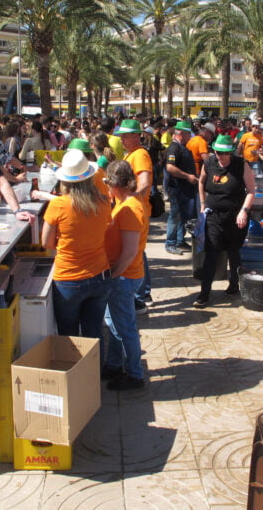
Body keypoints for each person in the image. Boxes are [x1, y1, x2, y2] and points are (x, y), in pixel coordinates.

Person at [42, 150, 112, 338]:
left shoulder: (58, 205)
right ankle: (95, 368)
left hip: (68, 278)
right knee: (94, 334)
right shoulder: (104, 202)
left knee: (69, 337)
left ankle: (75, 368)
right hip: (100, 275)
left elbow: (46, 243)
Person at [102, 161, 148, 390]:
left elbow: (129, 251)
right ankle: (113, 364)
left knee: (125, 327)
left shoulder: (130, 209)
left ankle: (134, 374)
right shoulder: (125, 203)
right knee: (114, 322)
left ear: (114, 184)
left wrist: (113, 275)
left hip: (124, 276)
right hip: (124, 275)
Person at [194, 134, 255, 308]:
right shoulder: (209, 163)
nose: (221, 156)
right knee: (211, 254)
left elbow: (251, 191)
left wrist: (244, 211)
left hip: (236, 217)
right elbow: (201, 182)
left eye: (225, 153)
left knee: (233, 251)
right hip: (214, 216)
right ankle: (204, 293)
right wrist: (203, 203)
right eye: (218, 152)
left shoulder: (241, 165)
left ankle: (234, 283)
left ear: (231, 152)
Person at [117, 119, 154, 312]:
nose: (122, 139)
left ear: (136, 135)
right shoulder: (134, 154)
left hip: (134, 211)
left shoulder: (140, 154)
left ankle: (141, 296)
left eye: (125, 135)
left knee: (136, 252)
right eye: (121, 136)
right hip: (133, 209)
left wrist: (130, 199)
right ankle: (142, 294)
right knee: (138, 251)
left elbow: (145, 182)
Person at [164, 120, 198, 255]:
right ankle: (170, 242)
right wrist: (187, 176)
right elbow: (170, 168)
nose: (190, 137)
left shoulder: (183, 147)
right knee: (175, 215)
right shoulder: (174, 148)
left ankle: (179, 240)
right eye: (188, 134)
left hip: (185, 189)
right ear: (182, 134)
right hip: (177, 188)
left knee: (182, 215)